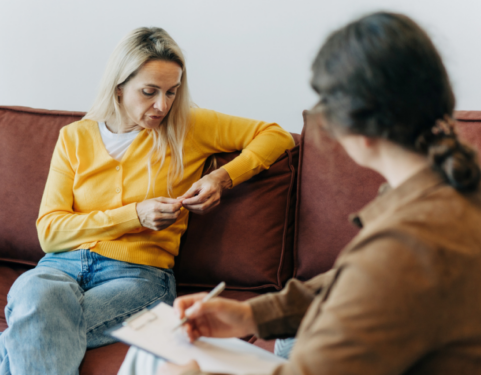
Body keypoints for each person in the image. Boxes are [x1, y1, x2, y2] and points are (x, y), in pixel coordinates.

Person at [118, 12, 481, 375]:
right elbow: (355, 283)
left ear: (358, 124)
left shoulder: (404, 243)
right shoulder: (449, 192)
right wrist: (249, 315)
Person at [0, 27, 294, 375]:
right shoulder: (74, 138)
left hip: (138, 277)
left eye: (172, 92)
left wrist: (221, 178)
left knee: (38, 320)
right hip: (58, 269)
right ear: (119, 87)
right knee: (39, 295)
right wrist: (135, 215)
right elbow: (50, 233)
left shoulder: (188, 125)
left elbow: (276, 136)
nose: (162, 105)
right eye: (149, 92)